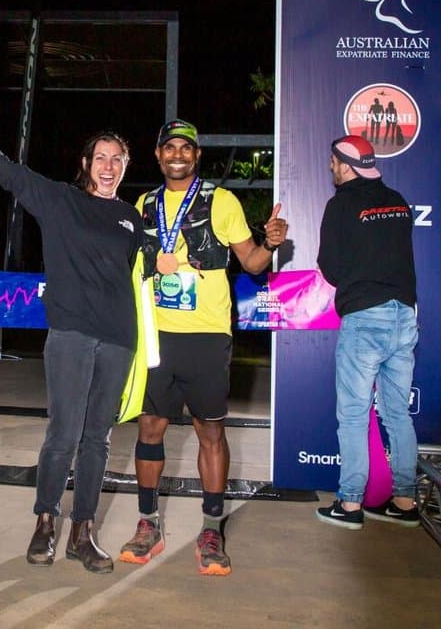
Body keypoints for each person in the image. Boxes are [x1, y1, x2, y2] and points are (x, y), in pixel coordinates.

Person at [0, 90, 141, 574]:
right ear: (86, 163)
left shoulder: (132, 218)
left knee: (99, 439)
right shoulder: (59, 200)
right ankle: (45, 521)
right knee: (63, 434)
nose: (109, 166)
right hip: (70, 332)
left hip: (119, 338)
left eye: (118, 160)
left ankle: (82, 533)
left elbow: (127, 275)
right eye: (101, 158)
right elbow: (6, 172)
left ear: (125, 167)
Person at [119, 119, 288, 576]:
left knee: (210, 431)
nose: (178, 154)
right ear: (158, 155)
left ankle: (212, 528)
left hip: (208, 334)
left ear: (197, 157)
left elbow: (251, 262)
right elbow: (132, 265)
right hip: (157, 335)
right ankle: (147, 523)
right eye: (169, 147)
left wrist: (271, 244)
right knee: (150, 427)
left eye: (186, 148)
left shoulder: (221, 200)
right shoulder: (143, 204)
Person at [314, 134, 420, 530]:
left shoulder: (340, 205)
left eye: (333, 162)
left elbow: (329, 266)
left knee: (355, 414)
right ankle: (405, 502)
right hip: (405, 316)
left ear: (345, 164)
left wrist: (356, 282)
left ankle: (351, 504)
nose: (330, 168)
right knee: (397, 413)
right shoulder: (397, 201)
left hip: (365, 317)